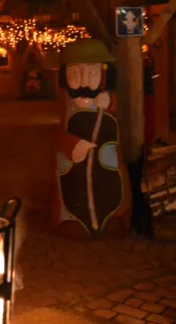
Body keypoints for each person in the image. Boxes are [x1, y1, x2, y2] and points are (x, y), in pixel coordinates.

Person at [54, 38, 130, 238]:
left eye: (92, 73)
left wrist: (110, 102)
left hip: (107, 166)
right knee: (72, 190)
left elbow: (119, 113)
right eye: (75, 73)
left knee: (109, 187)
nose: (84, 81)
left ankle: (112, 217)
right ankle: (72, 220)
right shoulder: (66, 104)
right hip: (73, 168)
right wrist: (72, 145)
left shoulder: (106, 99)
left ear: (104, 74)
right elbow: (58, 133)